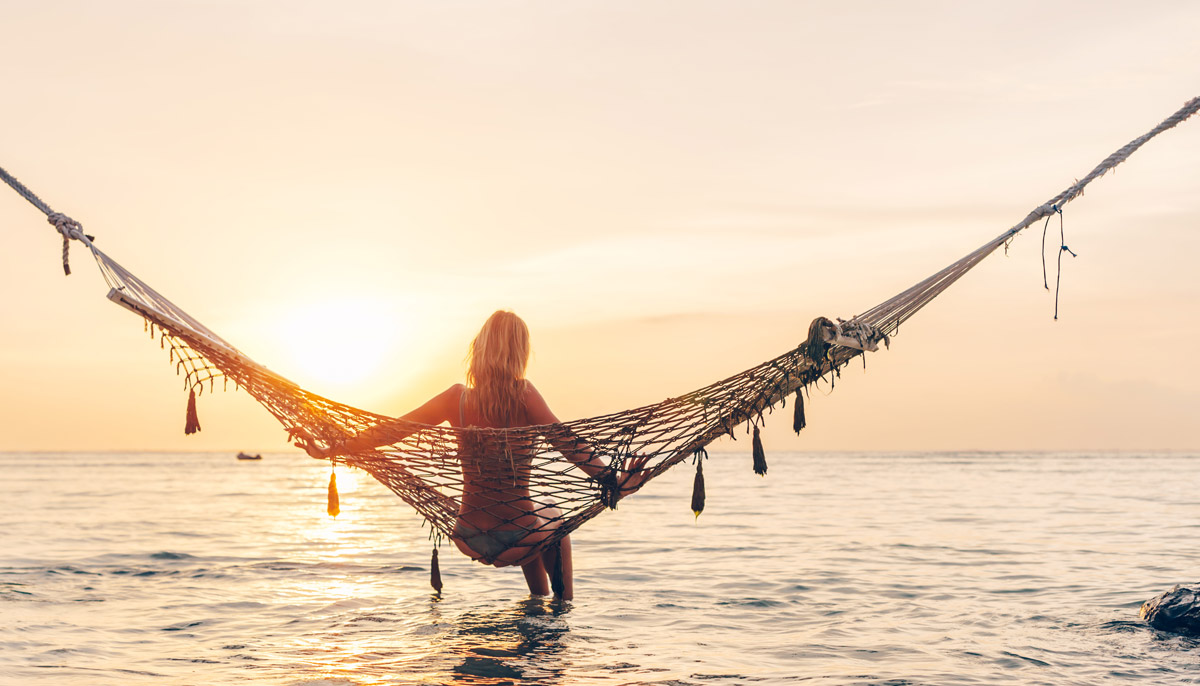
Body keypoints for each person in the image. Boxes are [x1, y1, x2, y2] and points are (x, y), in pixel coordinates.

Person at [292, 310, 649, 600]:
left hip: (470, 535)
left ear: (479, 350)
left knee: (536, 522)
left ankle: (537, 599)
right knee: (552, 520)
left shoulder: (457, 399)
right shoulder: (524, 395)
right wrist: (613, 482)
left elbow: (391, 430)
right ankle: (560, 609)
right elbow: (566, 442)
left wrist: (333, 449)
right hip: (519, 537)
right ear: (519, 354)